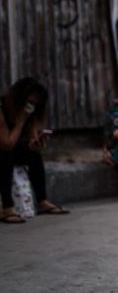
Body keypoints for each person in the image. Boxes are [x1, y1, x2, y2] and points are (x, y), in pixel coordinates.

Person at [0, 78, 68, 224]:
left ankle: (42, 201)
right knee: (5, 155)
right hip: (3, 149)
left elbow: (31, 140)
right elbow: (6, 144)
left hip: (11, 147)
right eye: (28, 103)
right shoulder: (3, 109)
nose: (30, 107)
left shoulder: (31, 113)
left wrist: (36, 143)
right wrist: (21, 120)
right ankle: (6, 207)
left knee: (33, 155)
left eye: (34, 105)